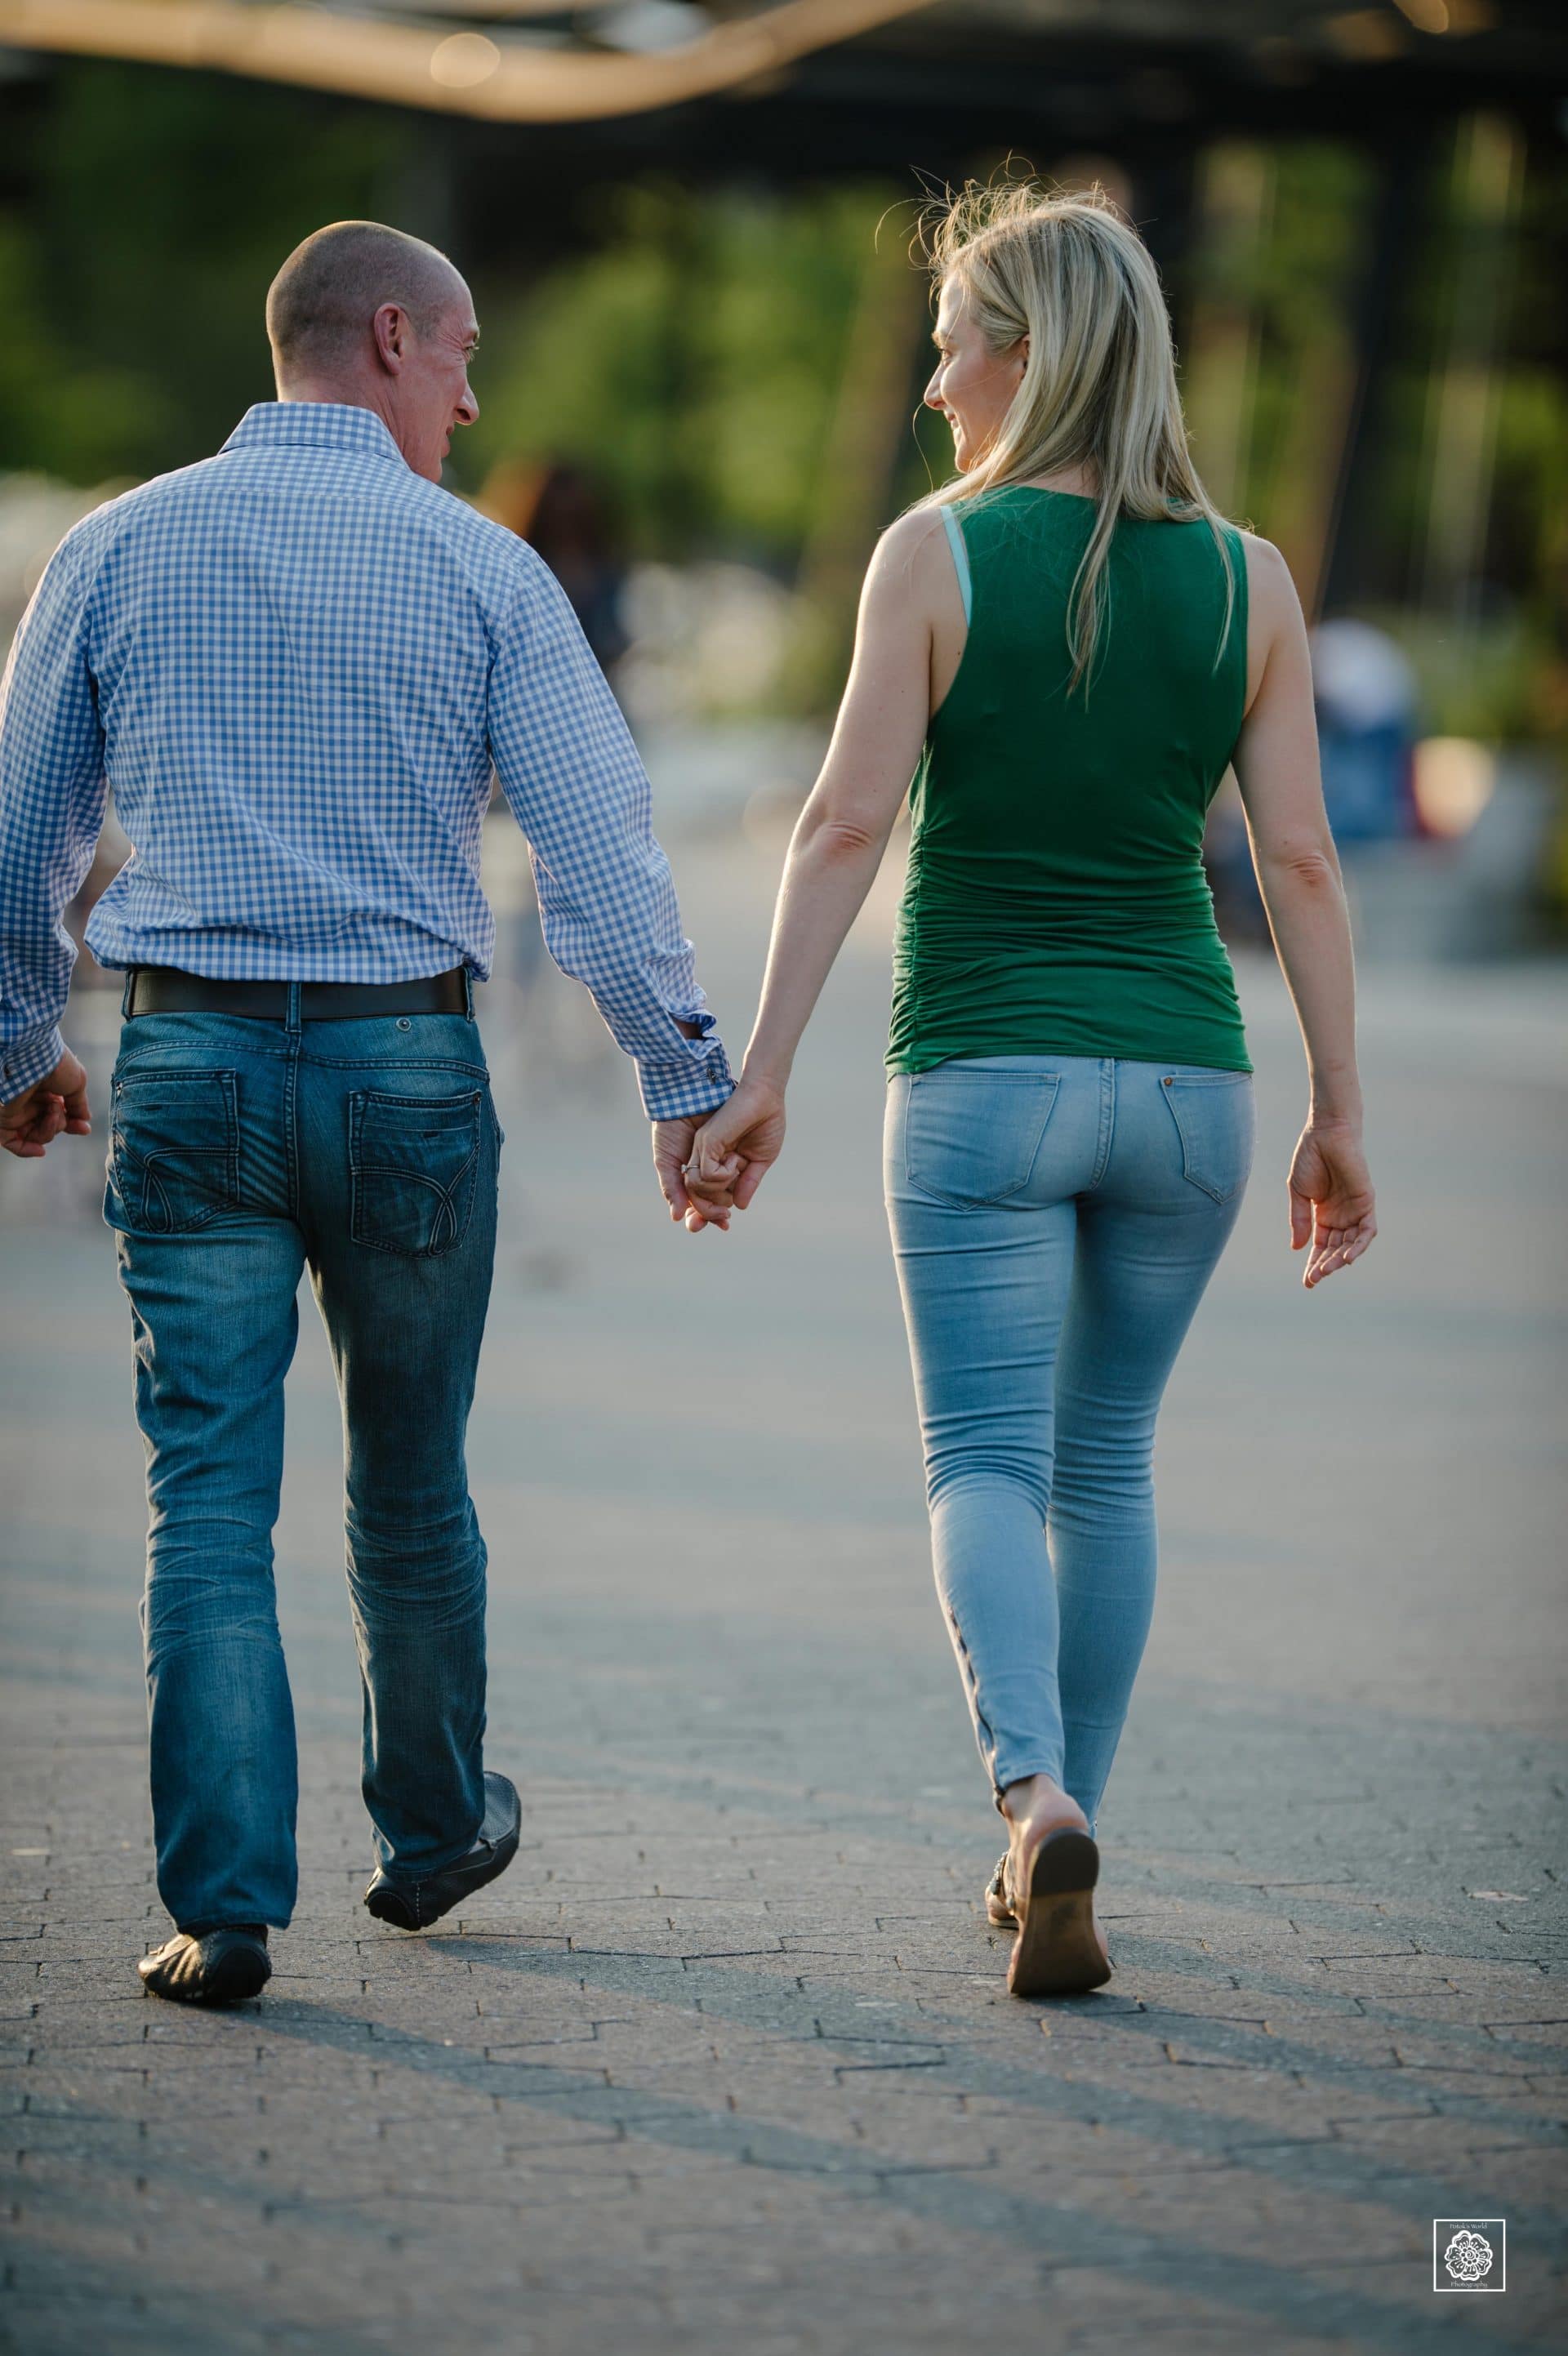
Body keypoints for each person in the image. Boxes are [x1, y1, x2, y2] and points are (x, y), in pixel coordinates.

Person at [0, 220, 733, 2006]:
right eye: (464, 357)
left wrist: (23, 1040)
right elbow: (600, 857)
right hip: (408, 1074)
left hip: (184, 1071)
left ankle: (226, 1907)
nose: (478, 401)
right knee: (409, 1484)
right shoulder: (482, 575)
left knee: (206, 1498)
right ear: (387, 336)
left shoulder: (115, 546)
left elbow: (18, 831)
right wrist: (687, 1083)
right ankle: (429, 1836)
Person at [687, 184, 1378, 1998]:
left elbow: (845, 823)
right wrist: (1341, 1112)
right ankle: (1066, 1840)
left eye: (948, 344)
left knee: (985, 1459)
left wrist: (756, 1074)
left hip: (984, 1073)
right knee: (1110, 1460)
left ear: (1026, 352)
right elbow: (1301, 863)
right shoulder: (1251, 579)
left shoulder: (935, 552)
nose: (930, 384)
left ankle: (1032, 1799)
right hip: (1187, 1088)